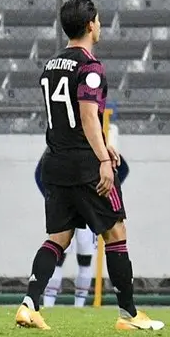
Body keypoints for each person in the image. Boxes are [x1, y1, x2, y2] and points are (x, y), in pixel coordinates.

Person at [16, 0, 162, 332]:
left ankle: (29, 305)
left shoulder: (51, 65)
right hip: (84, 165)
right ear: (90, 25)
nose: (100, 25)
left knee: (58, 237)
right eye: (98, 20)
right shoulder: (90, 67)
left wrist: (104, 144)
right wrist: (103, 158)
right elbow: (86, 115)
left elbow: (70, 119)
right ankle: (129, 314)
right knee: (116, 231)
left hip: (55, 161)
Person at [34, 121, 129, 308]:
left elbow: (122, 168)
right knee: (59, 251)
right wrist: (51, 196)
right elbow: (40, 173)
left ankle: (77, 304)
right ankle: (48, 302)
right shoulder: (63, 141)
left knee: (83, 257)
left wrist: (105, 188)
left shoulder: (96, 144)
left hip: (89, 202)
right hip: (69, 198)